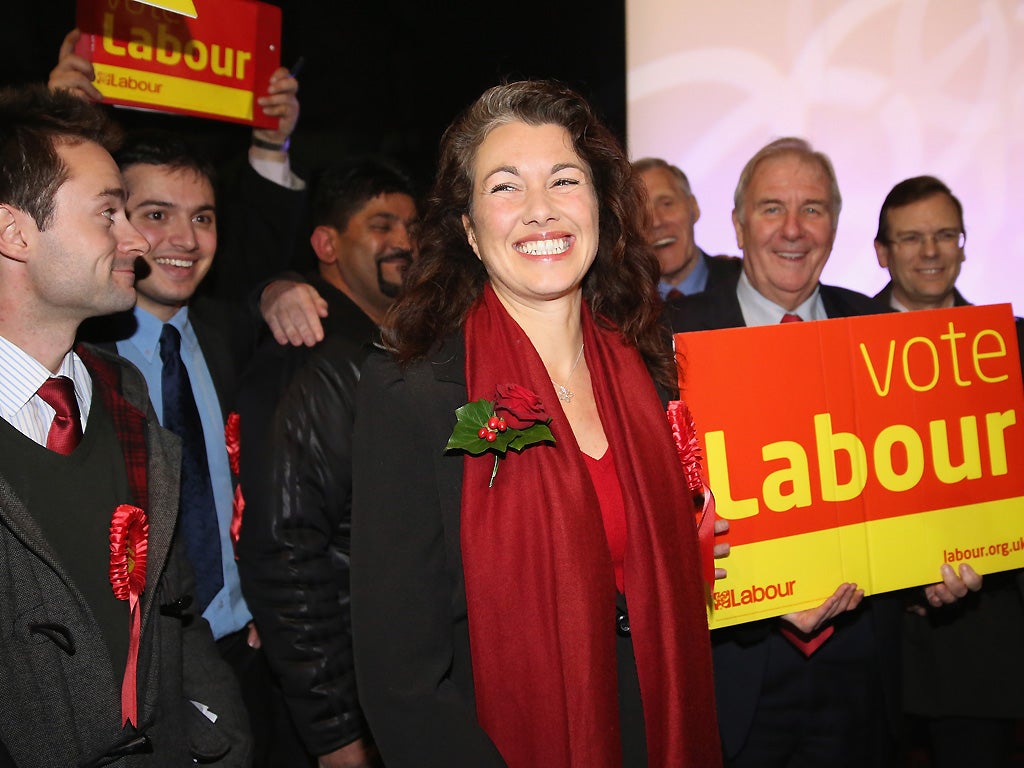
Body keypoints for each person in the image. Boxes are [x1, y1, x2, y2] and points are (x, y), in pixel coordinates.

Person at [350, 79, 721, 767]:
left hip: (656, 727)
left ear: (601, 209)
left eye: (564, 180)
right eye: (505, 187)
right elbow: (400, 678)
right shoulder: (415, 391)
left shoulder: (650, 367)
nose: (541, 212)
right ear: (467, 228)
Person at [665, 138, 983, 767]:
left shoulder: (885, 337)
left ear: (836, 225)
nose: (792, 229)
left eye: (813, 209)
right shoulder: (669, 339)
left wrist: (935, 574)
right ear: (736, 224)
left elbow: (915, 487)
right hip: (728, 673)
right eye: (771, 208)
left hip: (862, 672)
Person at [0, 84, 250, 765]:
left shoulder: (124, 395)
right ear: (14, 232)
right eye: (110, 213)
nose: (138, 241)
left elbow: (172, 606)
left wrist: (218, 735)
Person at [236, 158, 418, 767]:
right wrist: (337, 733)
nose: (404, 242)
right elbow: (286, 553)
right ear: (327, 244)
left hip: (392, 680)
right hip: (348, 698)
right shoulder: (312, 357)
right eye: (381, 225)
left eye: (412, 228)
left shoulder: (388, 349)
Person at [874, 175, 1024, 768]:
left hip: (980, 641)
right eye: (911, 238)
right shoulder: (838, 346)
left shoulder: (1011, 347)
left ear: (964, 245)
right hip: (873, 637)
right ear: (882, 253)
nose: (930, 252)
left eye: (944, 235)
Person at [632, 156, 740, 297]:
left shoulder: (745, 283)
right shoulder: (616, 306)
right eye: (641, 212)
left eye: (666, 204)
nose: (656, 222)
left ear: (693, 207)